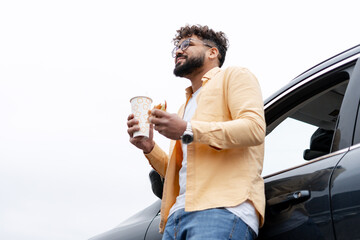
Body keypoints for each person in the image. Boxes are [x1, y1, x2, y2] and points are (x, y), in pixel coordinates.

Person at [127, 24, 266, 240]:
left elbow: (255, 128)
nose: (179, 51)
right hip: (175, 218)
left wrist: (187, 129)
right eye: (176, 49)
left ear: (213, 52)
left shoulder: (234, 76)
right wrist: (149, 148)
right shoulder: (184, 107)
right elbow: (179, 171)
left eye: (187, 44)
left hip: (221, 209)